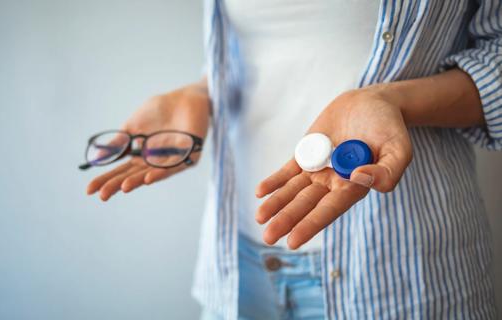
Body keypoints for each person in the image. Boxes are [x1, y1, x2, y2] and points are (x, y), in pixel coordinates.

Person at [86, 0, 501, 319]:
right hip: (238, 266)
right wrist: (201, 91)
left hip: (406, 271)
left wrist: (393, 100)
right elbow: (267, 51)